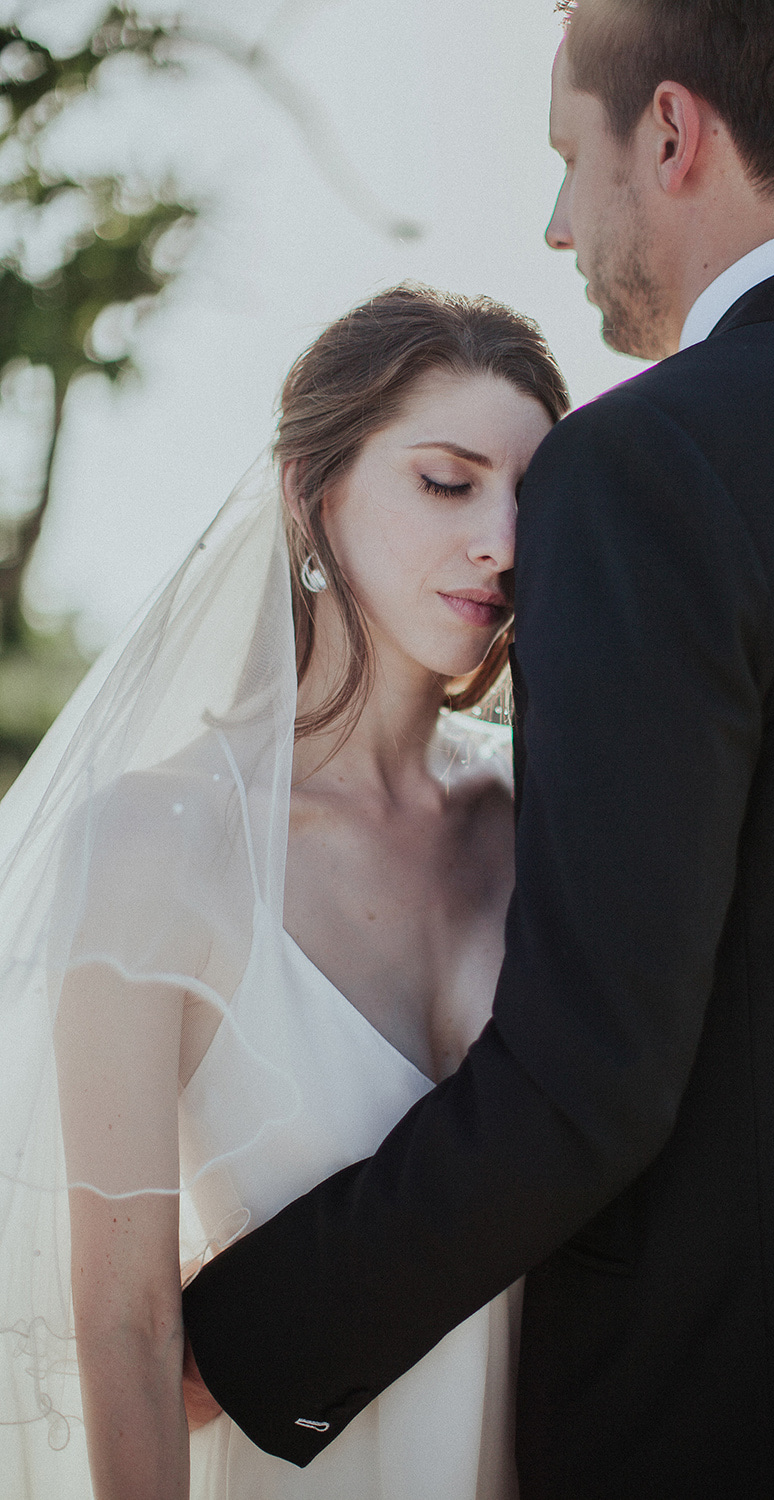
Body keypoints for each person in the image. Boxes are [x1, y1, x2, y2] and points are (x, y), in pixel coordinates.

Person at [181, 2, 774, 1497]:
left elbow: (593, 1075)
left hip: (714, 1425)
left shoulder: (644, 464)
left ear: (671, 135)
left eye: (570, 156)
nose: (558, 228)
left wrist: (236, 1340)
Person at [0, 284, 567, 1500]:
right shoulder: (158, 842)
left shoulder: (546, 825)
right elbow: (124, 1328)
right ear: (315, 491)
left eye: (532, 494)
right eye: (446, 480)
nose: (504, 541)